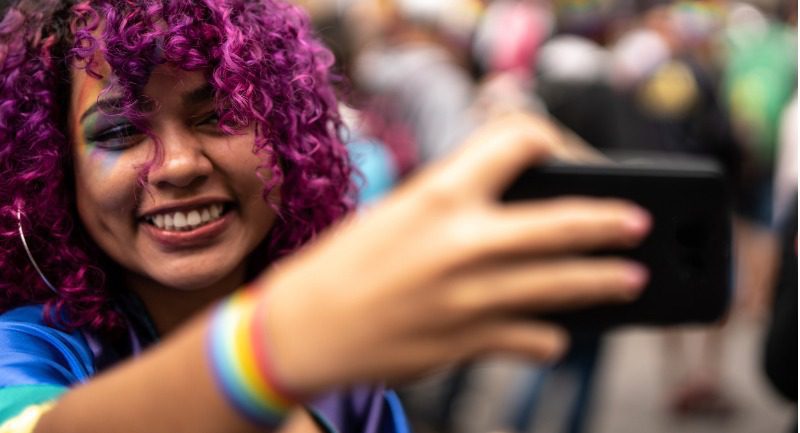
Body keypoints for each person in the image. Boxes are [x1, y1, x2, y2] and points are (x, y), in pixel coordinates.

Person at [0, 1, 654, 432]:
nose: (176, 164)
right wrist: (269, 350)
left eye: (218, 114)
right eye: (118, 130)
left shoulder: (348, 377)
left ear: (285, 139)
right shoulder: (26, 354)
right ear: (57, 168)